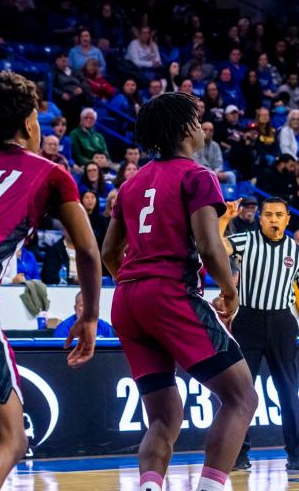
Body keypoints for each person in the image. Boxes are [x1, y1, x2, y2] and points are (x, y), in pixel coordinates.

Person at [100, 93, 257, 491]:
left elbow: (108, 252)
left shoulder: (131, 183)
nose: (202, 125)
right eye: (197, 118)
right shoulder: (198, 175)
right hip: (170, 291)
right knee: (242, 398)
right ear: (185, 127)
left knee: (164, 419)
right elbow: (209, 245)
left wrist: (137, 289)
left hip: (127, 298)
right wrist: (229, 291)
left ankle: (150, 486)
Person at [0, 72, 101, 490]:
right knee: (10, 439)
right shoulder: (49, 173)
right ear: (31, 124)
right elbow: (86, 250)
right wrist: (90, 317)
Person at [218, 197, 299, 473]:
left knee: (288, 391)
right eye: (268, 214)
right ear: (260, 218)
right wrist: (225, 219)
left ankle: (296, 454)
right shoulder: (245, 240)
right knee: (240, 392)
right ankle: (239, 454)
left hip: (281, 323)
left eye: (279, 215)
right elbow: (216, 248)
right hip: (248, 321)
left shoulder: (297, 251)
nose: (273, 219)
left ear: (288, 219)